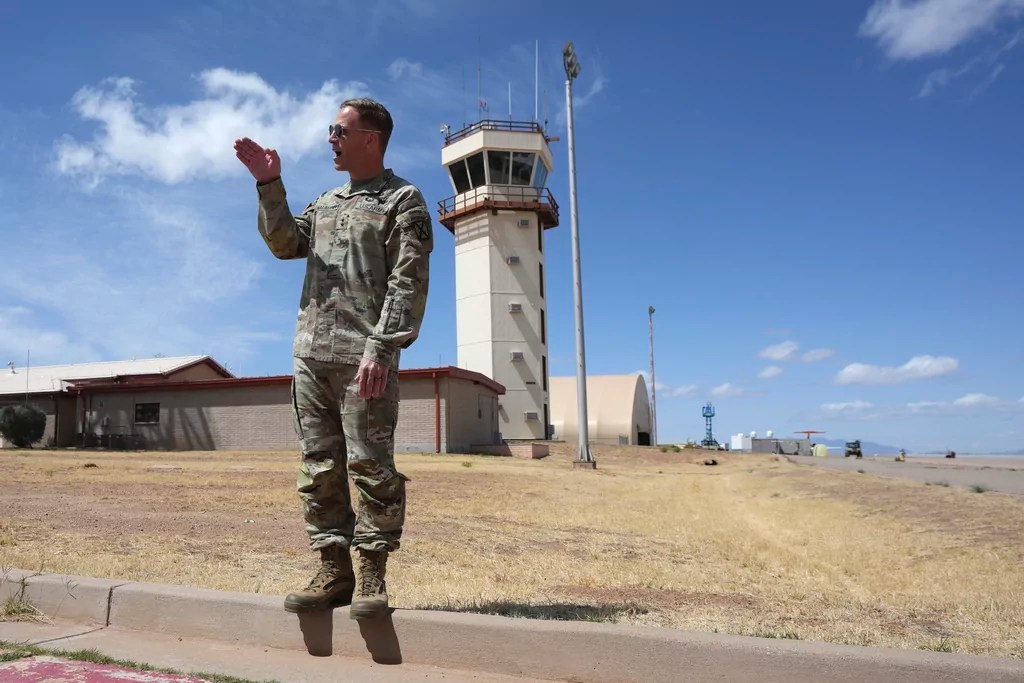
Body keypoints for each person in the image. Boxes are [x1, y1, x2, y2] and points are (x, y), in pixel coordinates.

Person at [233, 98, 433, 620]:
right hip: (311, 355)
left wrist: (382, 348)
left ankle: (371, 574)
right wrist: (267, 184)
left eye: (339, 130)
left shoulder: (403, 201)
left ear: (372, 137)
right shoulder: (325, 202)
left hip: (364, 356)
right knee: (319, 468)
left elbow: (407, 281)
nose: (330, 139)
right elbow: (284, 244)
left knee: (370, 468)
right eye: (331, 131)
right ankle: (332, 570)